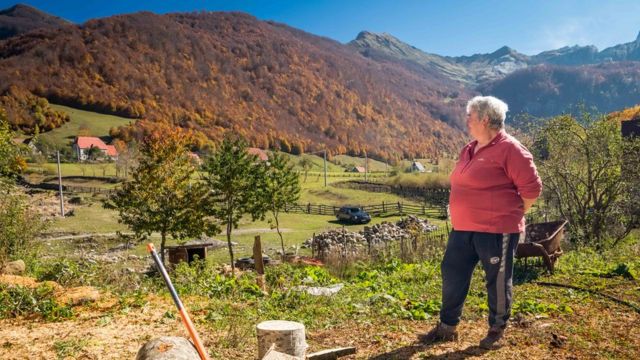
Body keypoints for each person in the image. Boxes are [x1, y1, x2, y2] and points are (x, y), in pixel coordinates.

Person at [420, 96, 542, 349]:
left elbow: (531, 189)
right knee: (452, 272)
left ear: (484, 119)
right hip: (463, 228)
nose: (466, 120)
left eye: (470, 116)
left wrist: (517, 211)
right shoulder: (469, 148)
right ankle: (447, 326)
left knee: (496, 280)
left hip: (496, 230)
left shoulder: (511, 149)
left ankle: (497, 330)